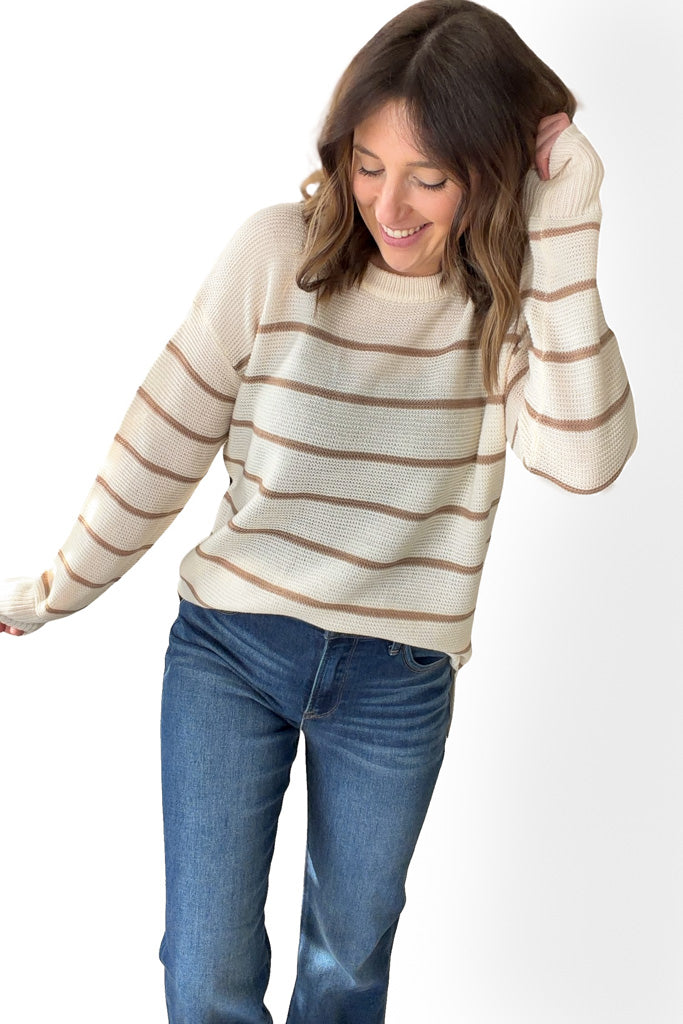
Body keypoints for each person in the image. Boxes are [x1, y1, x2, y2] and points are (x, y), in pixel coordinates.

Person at [0, 0, 637, 1021]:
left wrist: (564, 221)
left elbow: (585, 455)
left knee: (345, 970)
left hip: (396, 679)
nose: (389, 204)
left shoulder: (506, 309)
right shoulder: (274, 255)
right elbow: (162, 437)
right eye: (367, 165)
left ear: (490, 174)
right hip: (230, 650)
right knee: (203, 970)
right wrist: (56, 587)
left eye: (430, 177)